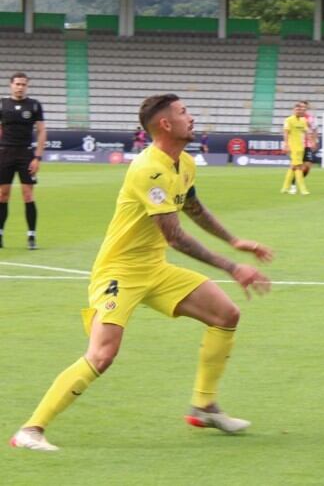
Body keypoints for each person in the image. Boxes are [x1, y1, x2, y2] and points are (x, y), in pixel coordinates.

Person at [9, 94, 273, 452]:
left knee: (226, 314)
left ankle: (203, 406)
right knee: (102, 354)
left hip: (154, 268)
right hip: (119, 271)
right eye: (184, 112)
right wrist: (232, 267)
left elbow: (193, 206)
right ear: (165, 124)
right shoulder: (148, 169)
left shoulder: (184, 162)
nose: (192, 118)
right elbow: (175, 236)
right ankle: (30, 430)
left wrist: (234, 240)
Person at [0, 72, 46, 250]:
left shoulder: (34, 105)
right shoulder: (2, 104)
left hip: (25, 154)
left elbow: (41, 131)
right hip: (5, 153)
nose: (20, 87)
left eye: (23, 84)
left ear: (27, 86)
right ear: (11, 85)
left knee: (28, 195)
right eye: (17, 84)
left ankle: (31, 236)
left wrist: (37, 157)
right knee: (3, 194)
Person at [280, 101, 309, 195]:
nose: (299, 111)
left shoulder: (303, 120)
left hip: (301, 147)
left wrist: (311, 141)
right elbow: (286, 133)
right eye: (297, 109)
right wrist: (286, 145)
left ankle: (285, 188)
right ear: (294, 110)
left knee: (293, 167)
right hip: (293, 147)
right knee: (299, 167)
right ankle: (303, 189)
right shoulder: (289, 120)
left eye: (300, 109)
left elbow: (306, 131)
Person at [300, 100, 318, 182]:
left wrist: (314, 141)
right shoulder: (295, 117)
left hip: (308, 144)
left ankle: (298, 180)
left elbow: (314, 130)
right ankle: (295, 183)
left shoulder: (311, 118)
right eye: (301, 106)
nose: (303, 108)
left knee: (308, 166)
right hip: (298, 144)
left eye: (304, 106)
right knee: (297, 165)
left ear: (307, 107)